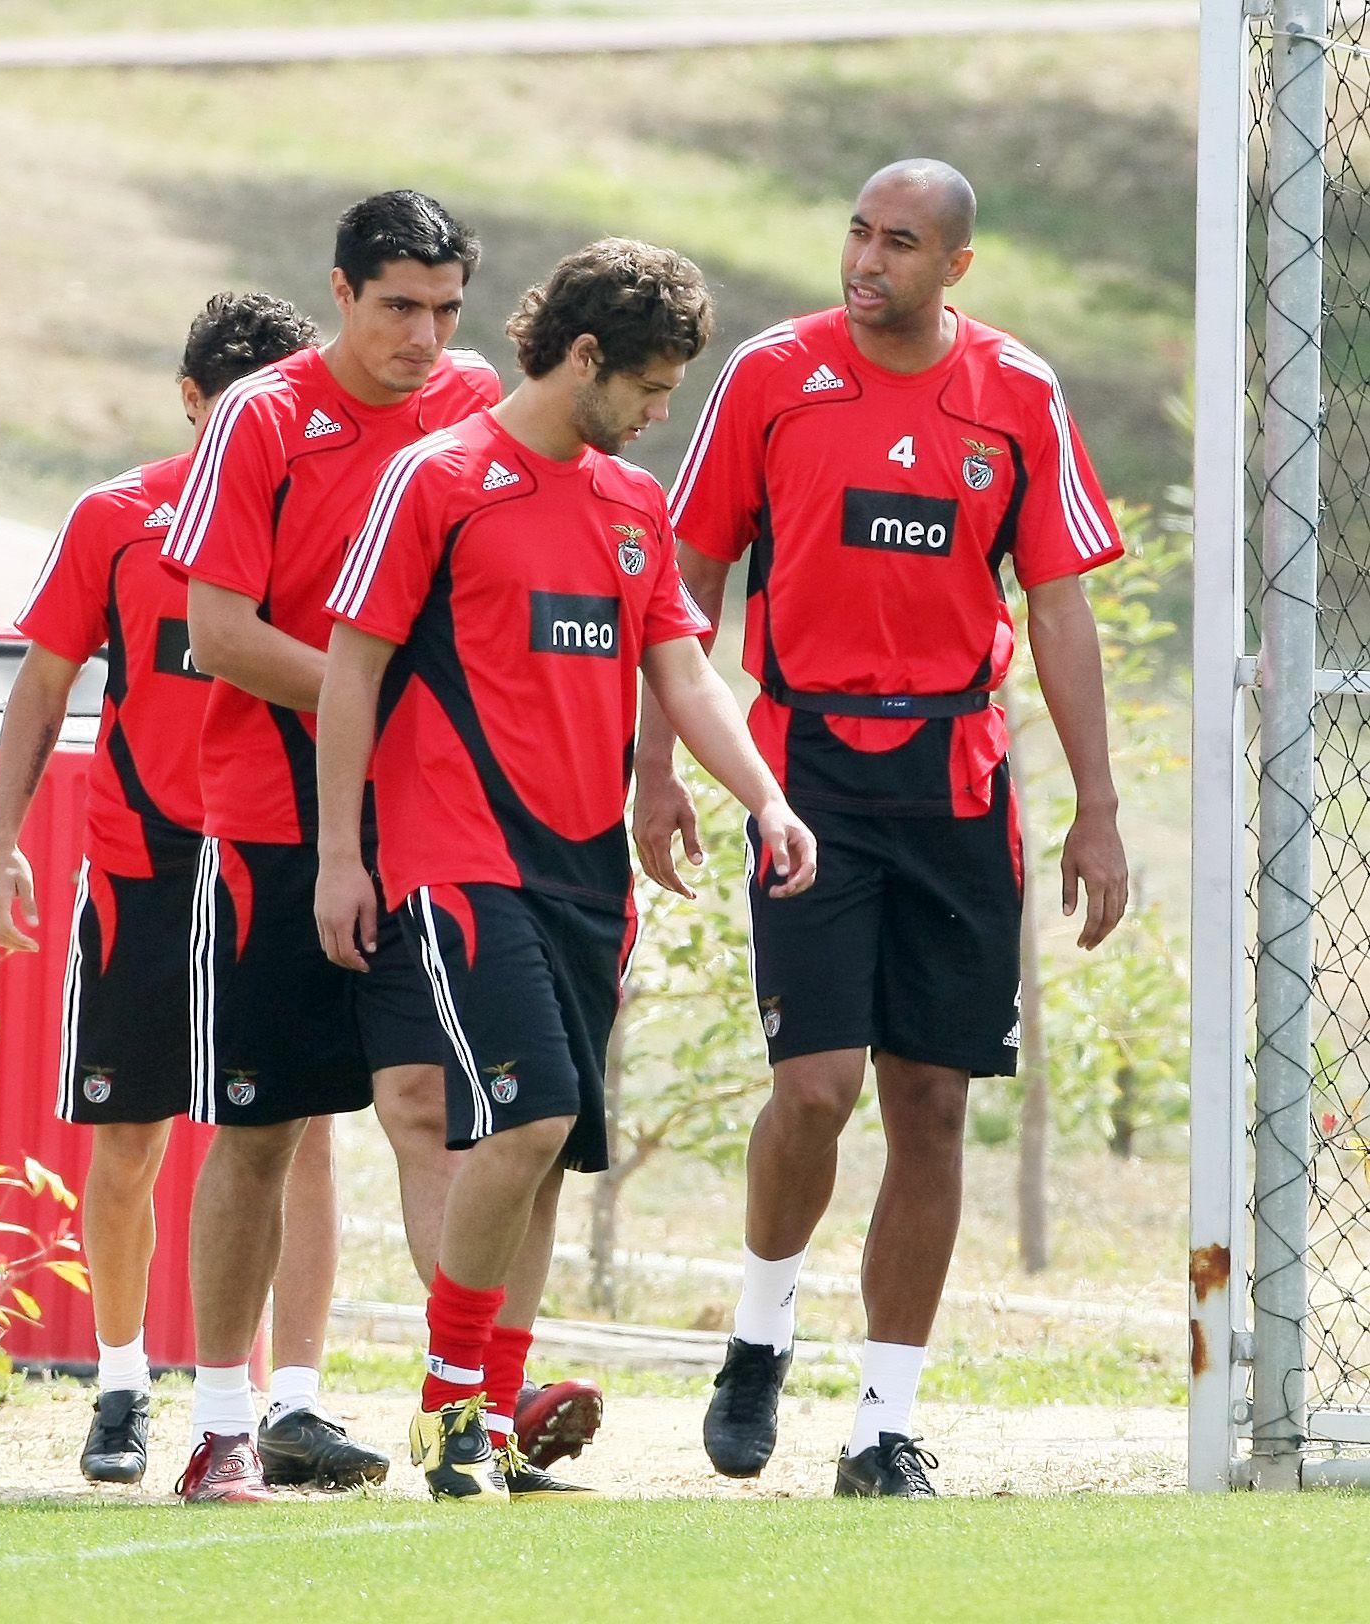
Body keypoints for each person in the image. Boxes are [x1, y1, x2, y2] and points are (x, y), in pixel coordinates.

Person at [634, 159, 1129, 1498]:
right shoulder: (769, 376)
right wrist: (658, 769)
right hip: (804, 778)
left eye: (898, 243)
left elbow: (1059, 606)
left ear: (953, 266)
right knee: (816, 1089)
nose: (865, 260)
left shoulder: (1015, 393)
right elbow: (687, 581)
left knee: (929, 1102)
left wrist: (1098, 808)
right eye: (856, 232)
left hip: (958, 783)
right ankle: (758, 1329)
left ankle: (879, 1425)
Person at [314, 237, 818, 1504]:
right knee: (527, 1113)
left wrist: (763, 797)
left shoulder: (629, 506)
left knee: (538, 1149)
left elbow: (684, 674)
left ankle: (494, 1423)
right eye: (649, 388)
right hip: (456, 857)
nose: (659, 416)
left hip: (589, 874)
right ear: (583, 356)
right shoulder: (442, 478)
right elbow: (352, 669)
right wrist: (338, 856)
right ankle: (445, 1414)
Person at [162, 191, 606, 1503]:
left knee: (433, 1109)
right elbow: (222, 633)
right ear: (343, 293)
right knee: (260, 1131)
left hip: (420, 836)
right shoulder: (261, 417)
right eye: (399, 307)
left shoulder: (472, 401)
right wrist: (384, 696)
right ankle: (224, 1424)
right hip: (273, 827)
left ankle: (473, 1404)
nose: (425, 336)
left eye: (446, 309)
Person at [0, 292, 389, 1491]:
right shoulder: (117, 516)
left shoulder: (329, 505)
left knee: (295, 1129)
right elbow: (42, 689)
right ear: (191, 400)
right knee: (129, 1133)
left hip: (267, 851)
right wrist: (5, 838)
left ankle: (293, 1406)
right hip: (144, 865)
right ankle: (119, 1388)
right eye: (230, 408)